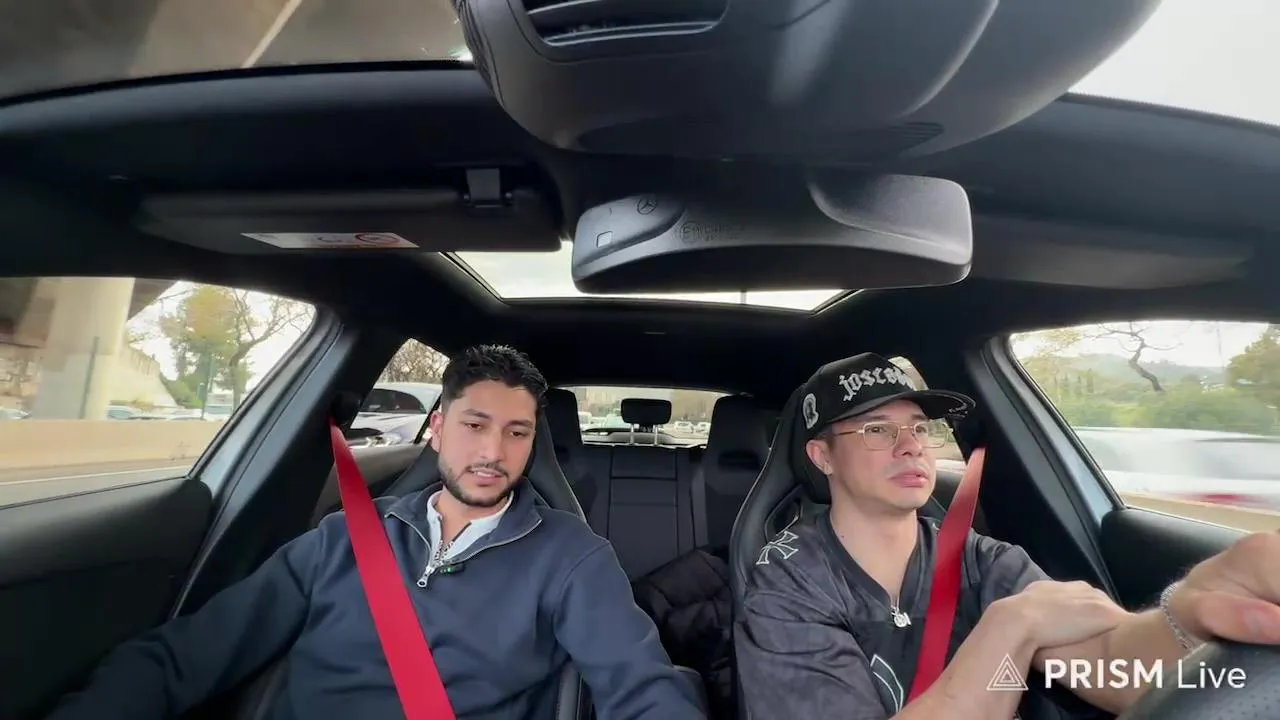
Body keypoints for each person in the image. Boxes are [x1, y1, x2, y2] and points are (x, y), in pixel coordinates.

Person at [47, 344, 706, 720]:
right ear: (438, 429)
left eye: (516, 432)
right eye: (474, 425)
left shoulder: (571, 556)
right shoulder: (343, 539)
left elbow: (643, 689)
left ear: (534, 443)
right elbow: (187, 656)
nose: (492, 451)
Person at [735, 352, 1280, 720]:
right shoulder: (787, 583)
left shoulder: (986, 561)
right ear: (822, 456)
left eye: (920, 428)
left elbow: (1111, 660)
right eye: (878, 429)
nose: (912, 445)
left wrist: (1185, 628)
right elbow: (1023, 622)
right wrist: (1010, 627)